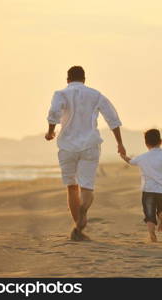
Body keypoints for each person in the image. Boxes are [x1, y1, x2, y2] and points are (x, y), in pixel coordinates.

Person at [45, 66, 126, 241]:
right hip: (90, 145)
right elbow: (112, 118)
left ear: (67, 79)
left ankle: (78, 226)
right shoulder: (95, 95)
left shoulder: (60, 94)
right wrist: (120, 143)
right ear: (84, 79)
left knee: (72, 187)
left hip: (67, 147)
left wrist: (51, 131)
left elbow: (54, 113)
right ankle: (83, 212)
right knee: (87, 186)